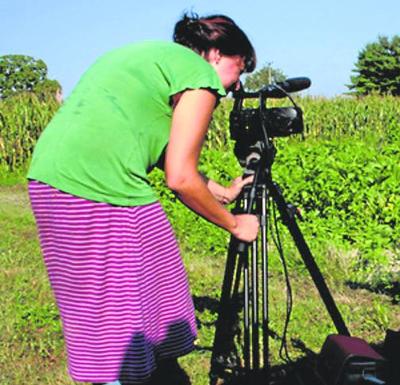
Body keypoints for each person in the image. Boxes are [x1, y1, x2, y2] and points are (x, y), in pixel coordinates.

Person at [27, 13, 259, 385]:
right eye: (239, 67)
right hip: (100, 185)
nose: (235, 86)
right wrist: (235, 224)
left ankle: (127, 367)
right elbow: (181, 179)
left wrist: (224, 192)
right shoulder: (198, 76)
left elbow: (172, 160)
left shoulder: (151, 57)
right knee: (120, 304)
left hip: (50, 178)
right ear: (215, 54)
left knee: (97, 300)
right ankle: (117, 374)